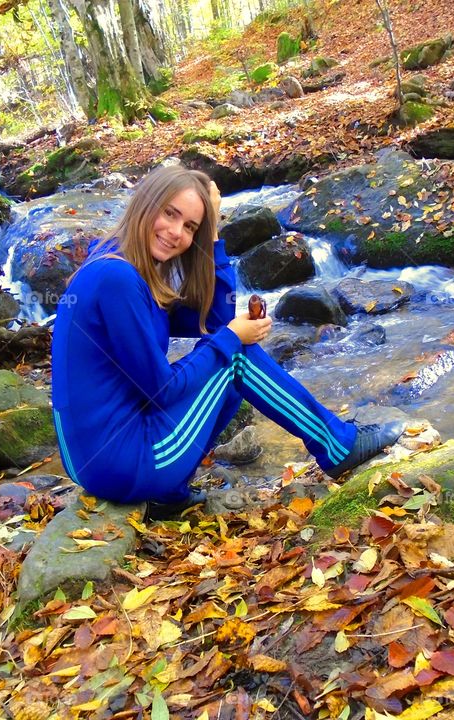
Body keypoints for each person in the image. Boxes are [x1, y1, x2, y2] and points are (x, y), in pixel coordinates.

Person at [51, 164, 405, 512]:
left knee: (230, 355)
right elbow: (163, 392)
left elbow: (215, 319)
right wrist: (233, 337)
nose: (176, 232)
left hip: (98, 463)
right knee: (235, 357)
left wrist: (214, 232)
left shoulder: (115, 260)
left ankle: (168, 492)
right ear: (145, 203)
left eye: (190, 227)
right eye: (169, 214)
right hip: (123, 464)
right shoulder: (119, 280)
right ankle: (337, 446)